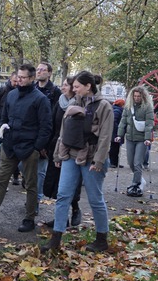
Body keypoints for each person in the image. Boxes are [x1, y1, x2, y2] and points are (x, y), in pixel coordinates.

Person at [0, 64, 52, 232]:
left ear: (31, 79)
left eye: (23, 77)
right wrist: (2, 136)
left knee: (30, 184)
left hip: (29, 148)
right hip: (9, 146)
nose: (19, 80)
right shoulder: (11, 95)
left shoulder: (40, 99)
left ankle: (29, 218)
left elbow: (46, 127)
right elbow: (3, 117)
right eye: (18, 77)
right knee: (1, 180)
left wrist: (36, 147)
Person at [42, 71, 113, 253]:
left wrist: (98, 161)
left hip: (92, 158)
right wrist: (59, 155)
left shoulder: (104, 106)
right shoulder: (74, 103)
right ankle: (56, 238)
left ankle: (101, 239)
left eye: (76, 87)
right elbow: (64, 132)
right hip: (71, 156)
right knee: (63, 195)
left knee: (95, 199)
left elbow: (105, 137)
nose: (73, 90)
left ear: (88, 86)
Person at [44, 76, 82, 228]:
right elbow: (52, 124)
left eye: (66, 85)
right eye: (63, 85)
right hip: (56, 147)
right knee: (56, 186)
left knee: (69, 184)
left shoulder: (79, 103)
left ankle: (75, 209)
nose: (62, 87)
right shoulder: (59, 102)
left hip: (72, 149)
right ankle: (61, 218)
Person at [115, 86, 154, 197]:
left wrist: (147, 138)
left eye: (138, 96)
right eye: (135, 96)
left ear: (143, 96)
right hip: (130, 138)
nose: (136, 98)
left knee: (137, 163)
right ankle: (140, 179)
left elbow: (149, 123)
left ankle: (136, 184)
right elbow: (123, 121)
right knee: (130, 162)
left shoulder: (147, 107)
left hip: (141, 139)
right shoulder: (128, 107)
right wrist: (119, 135)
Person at [34, 62, 62, 209]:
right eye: (37, 69)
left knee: (40, 172)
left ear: (49, 73)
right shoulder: (32, 89)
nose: (39, 72)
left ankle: (35, 202)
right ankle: (33, 196)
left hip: (46, 137)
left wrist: (46, 143)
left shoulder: (56, 92)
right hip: (30, 136)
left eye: (42, 70)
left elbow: (55, 119)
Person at [0, 71, 20, 186]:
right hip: (2, 123)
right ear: (10, 79)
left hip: (14, 125)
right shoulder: (2, 91)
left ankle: (15, 175)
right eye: (14, 81)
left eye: (18, 81)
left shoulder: (20, 92)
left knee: (15, 151)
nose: (16, 83)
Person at [109, 99, 125, 168]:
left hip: (114, 132)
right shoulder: (117, 111)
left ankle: (115, 162)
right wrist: (118, 129)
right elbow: (114, 121)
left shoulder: (115, 109)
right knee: (114, 148)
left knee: (116, 148)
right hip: (115, 132)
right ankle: (112, 162)